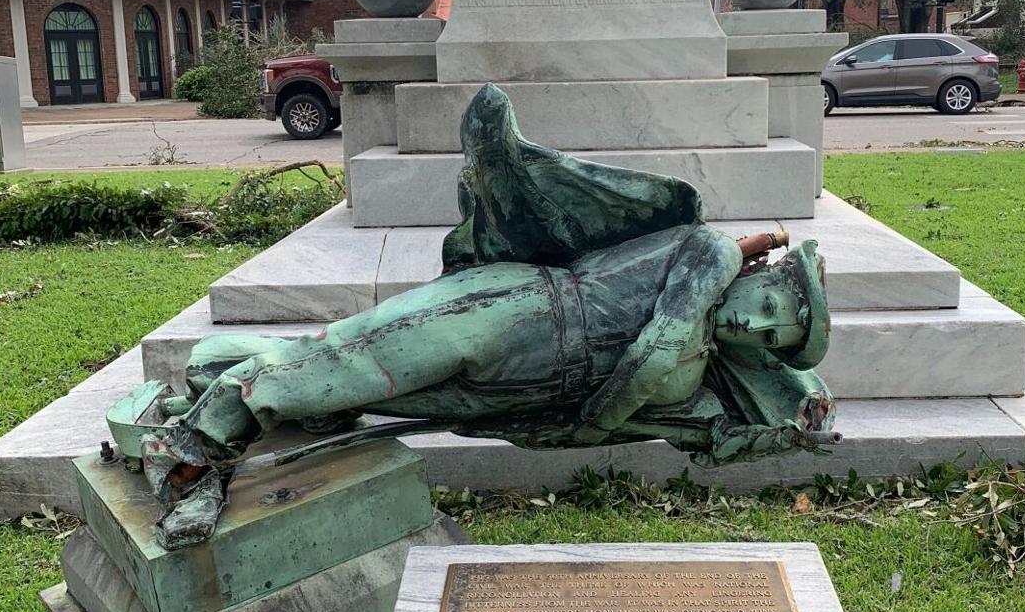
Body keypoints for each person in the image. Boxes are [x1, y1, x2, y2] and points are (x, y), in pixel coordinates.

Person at [141, 86, 835, 546]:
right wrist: (609, 414)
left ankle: (219, 374)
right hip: (518, 312)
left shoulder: (706, 369)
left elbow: (706, 435)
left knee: (366, 393)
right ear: (763, 275)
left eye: (774, 337)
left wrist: (791, 423)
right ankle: (190, 456)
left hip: (527, 390)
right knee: (354, 364)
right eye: (769, 307)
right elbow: (656, 352)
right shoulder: (709, 253)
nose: (757, 328)